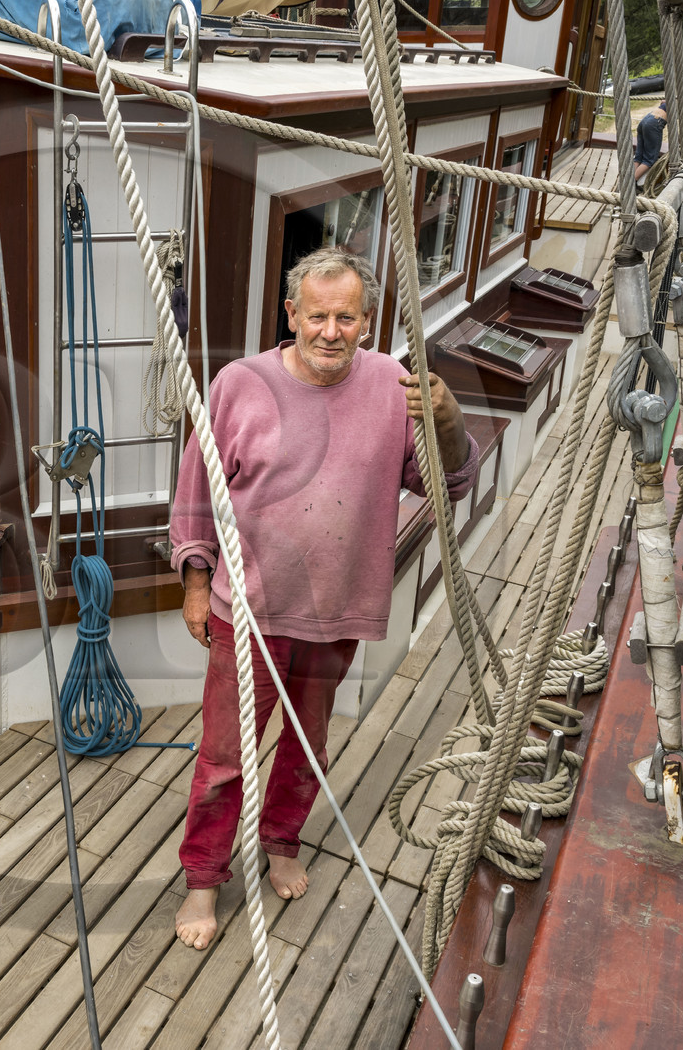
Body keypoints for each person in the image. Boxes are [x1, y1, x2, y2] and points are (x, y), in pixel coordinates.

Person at [168, 247, 480, 950]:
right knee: (224, 755)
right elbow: (195, 493)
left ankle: (281, 839)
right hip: (244, 610)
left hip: (336, 609)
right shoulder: (239, 384)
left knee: (307, 745)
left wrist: (449, 416)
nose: (331, 330)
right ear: (292, 316)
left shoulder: (399, 387)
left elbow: (450, 482)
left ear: (367, 321)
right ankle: (202, 876)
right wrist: (194, 580)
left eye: (346, 317)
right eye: (317, 316)